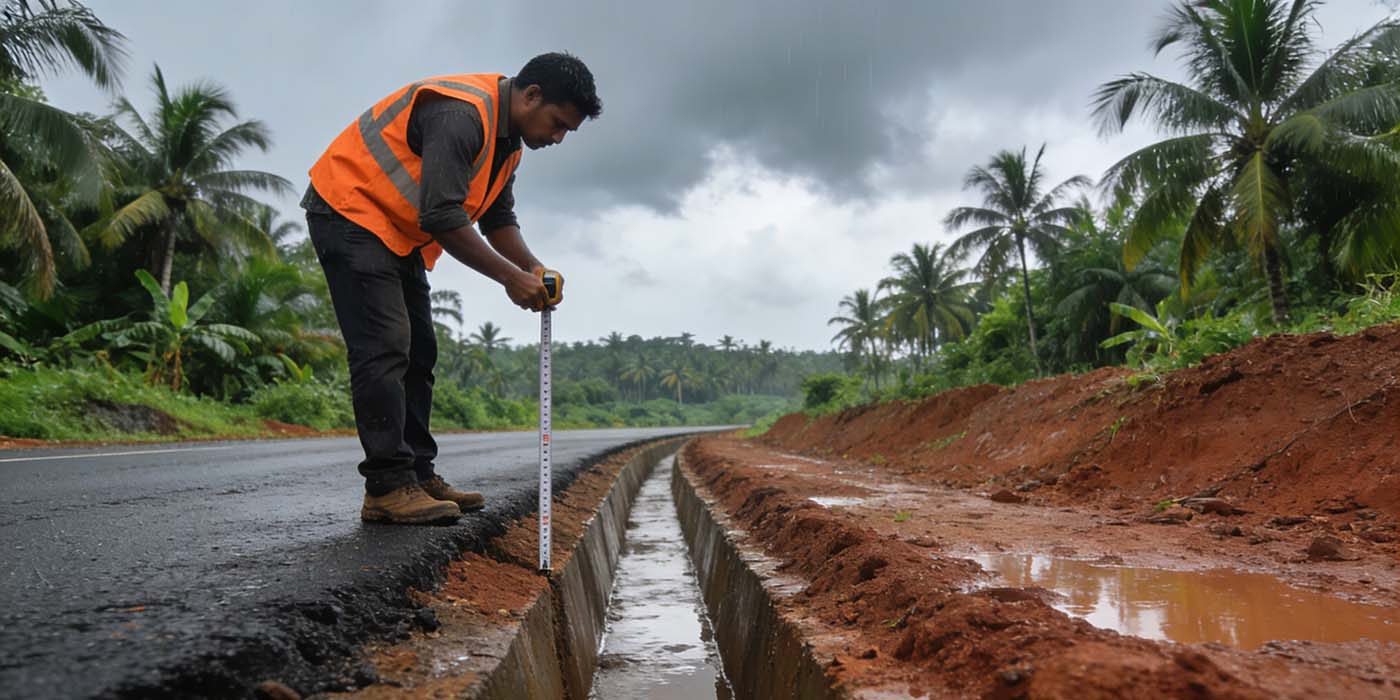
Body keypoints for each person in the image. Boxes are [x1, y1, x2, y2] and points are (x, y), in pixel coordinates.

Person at [301, 52, 602, 524]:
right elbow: (442, 215)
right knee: (385, 347)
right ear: (532, 96)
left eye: (568, 131)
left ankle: (418, 475)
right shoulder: (462, 115)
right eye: (558, 124)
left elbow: (497, 218)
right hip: (349, 211)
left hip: (394, 231)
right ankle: (386, 486)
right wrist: (510, 278)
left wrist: (534, 267)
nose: (559, 138)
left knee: (421, 351)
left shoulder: (509, 144)